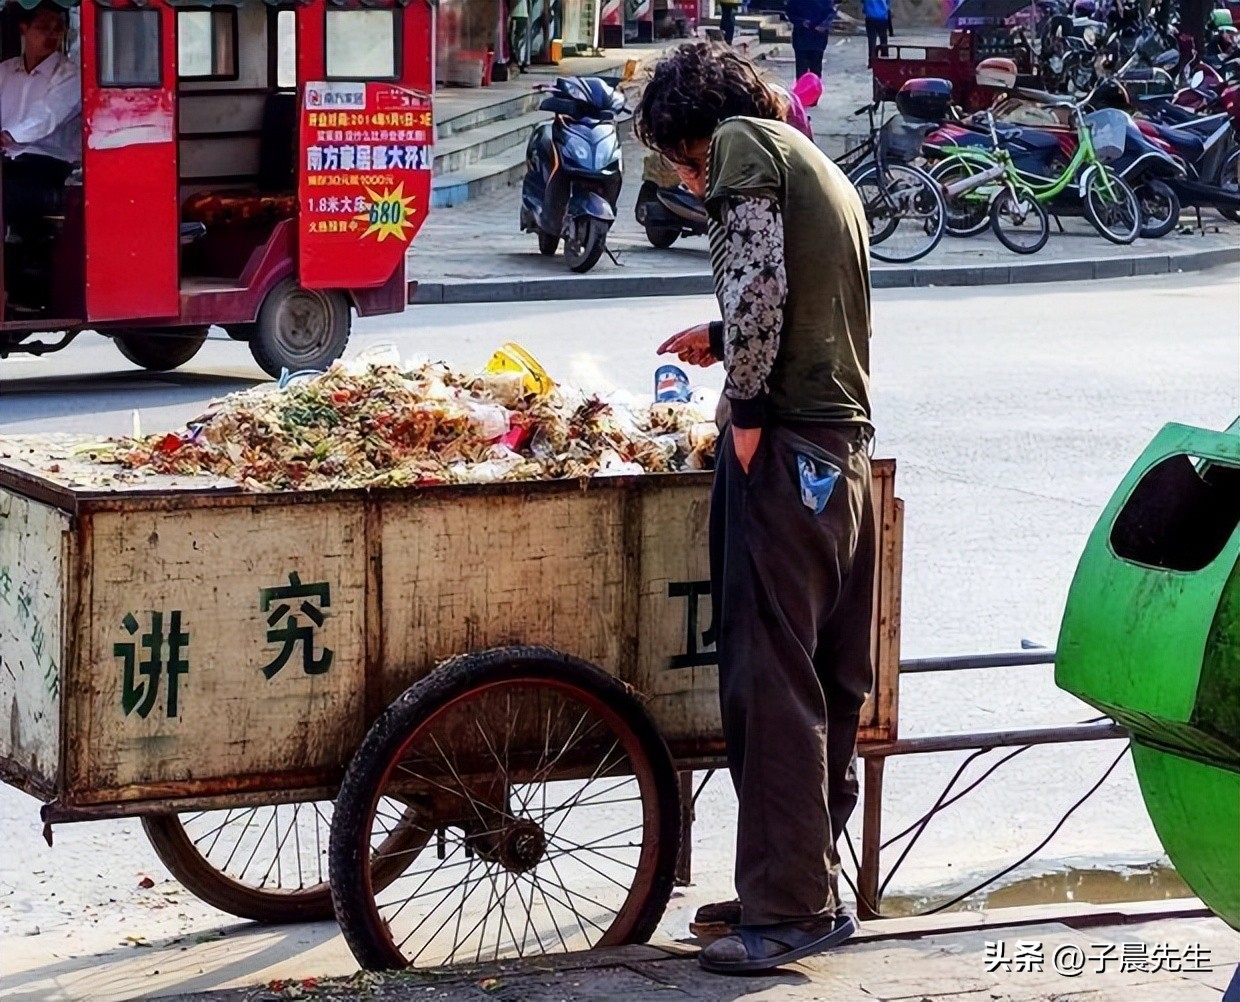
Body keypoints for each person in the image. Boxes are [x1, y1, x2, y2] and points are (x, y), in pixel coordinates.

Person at [636, 41, 875, 976]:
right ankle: (801, 881)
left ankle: (787, 911)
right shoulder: (819, 164)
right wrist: (726, 336)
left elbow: (763, 282)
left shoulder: (743, 143)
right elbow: (803, 298)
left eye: (682, 162)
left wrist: (747, 409)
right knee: (824, 679)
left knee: (768, 681)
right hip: (843, 455)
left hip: (789, 449)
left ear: (698, 129)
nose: (693, 180)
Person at [0, 3, 80, 237]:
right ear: (24, 29)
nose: (52, 34)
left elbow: (49, 114)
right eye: (44, 27)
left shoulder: (71, 74)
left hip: (49, 165)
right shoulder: (4, 71)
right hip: (8, 162)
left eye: (58, 28)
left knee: (11, 195)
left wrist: (8, 136)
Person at [785, 0, 834, 79]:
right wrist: (801, 22)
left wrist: (823, 25)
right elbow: (790, 13)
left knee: (816, 69)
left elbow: (830, 13)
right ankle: (802, 89)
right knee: (801, 69)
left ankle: (815, 88)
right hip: (801, 36)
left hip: (818, 37)